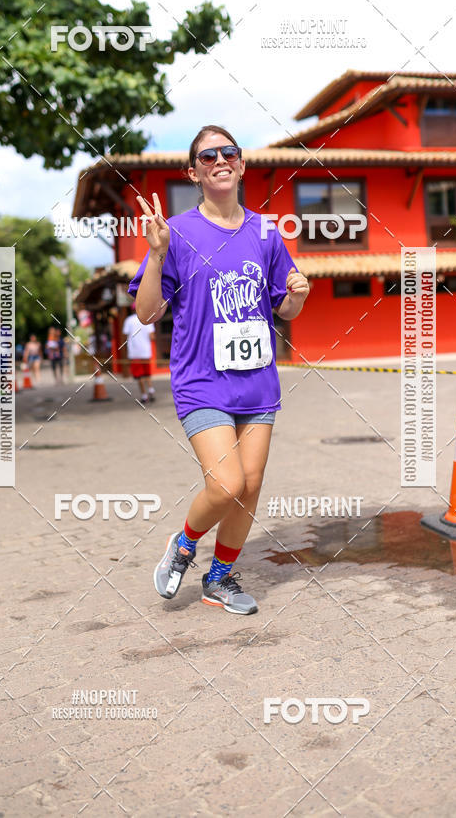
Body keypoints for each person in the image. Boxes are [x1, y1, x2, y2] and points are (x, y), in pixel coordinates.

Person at [128, 125, 309, 615]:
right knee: (225, 484)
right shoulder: (179, 232)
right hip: (201, 381)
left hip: (258, 383)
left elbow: (283, 310)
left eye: (229, 152)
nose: (220, 160)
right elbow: (147, 314)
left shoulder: (266, 232)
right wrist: (158, 253)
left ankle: (220, 578)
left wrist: (296, 295)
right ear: (194, 173)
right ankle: (184, 546)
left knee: (248, 488)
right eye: (208, 156)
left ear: (242, 164)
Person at [122, 302, 156, 404]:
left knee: (139, 375)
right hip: (145, 351)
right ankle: (151, 390)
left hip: (134, 352)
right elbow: (152, 337)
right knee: (147, 374)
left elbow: (124, 336)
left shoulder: (128, 320)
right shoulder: (148, 320)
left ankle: (144, 395)